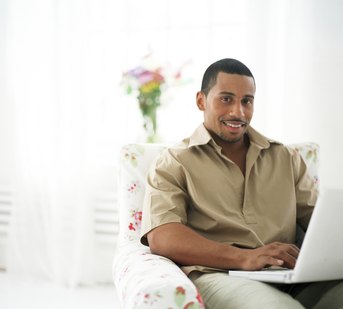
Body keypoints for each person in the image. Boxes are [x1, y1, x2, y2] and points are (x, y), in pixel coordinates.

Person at [140, 58, 343, 308]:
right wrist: (245, 258)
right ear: (201, 101)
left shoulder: (286, 158)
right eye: (226, 99)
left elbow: (320, 222)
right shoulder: (173, 162)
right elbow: (163, 237)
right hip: (218, 275)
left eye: (247, 101)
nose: (239, 112)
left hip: (289, 276)